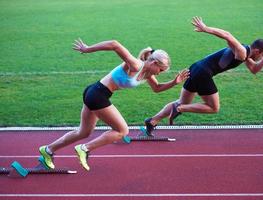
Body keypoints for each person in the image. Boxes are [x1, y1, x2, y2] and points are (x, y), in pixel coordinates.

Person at [39, 39, 190, 171]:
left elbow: (157, 89)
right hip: (98, 95)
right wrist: (87, 49)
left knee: (84, 132)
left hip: (94, 93)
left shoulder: (147, 74)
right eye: (160, 70)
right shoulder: (136, 65)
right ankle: (84, 149)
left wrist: (174, 82)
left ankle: (48, 150)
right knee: (122, 130)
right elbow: (114, 44)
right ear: (154, 62)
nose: (159, 73)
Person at [144, 16, 263, 135]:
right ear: (256, 51)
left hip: (196, 68)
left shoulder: (245, 54)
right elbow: (227, 34)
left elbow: (254, 70)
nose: (261, 57)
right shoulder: (241, 52)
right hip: (203, 73)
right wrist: (206, 28)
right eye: (262, 55)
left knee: (182, 101)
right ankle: (179, 109)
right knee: (213, 108)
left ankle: (152, 121)